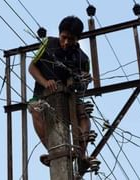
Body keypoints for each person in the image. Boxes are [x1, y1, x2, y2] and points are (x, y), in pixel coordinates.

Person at [28, 15, 92, 166]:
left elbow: (83, 88)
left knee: (83, 113)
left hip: (69, 99)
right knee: (35, 109)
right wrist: (45, 82)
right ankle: (54, 153)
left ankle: (81, 154)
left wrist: (84, 80)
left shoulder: (82, 58)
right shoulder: (48, 43)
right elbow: (32, 67)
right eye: (63, 37)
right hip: (42, 96)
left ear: (77, 39)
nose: (66, 42)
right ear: (59, 34)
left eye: (71, 39)